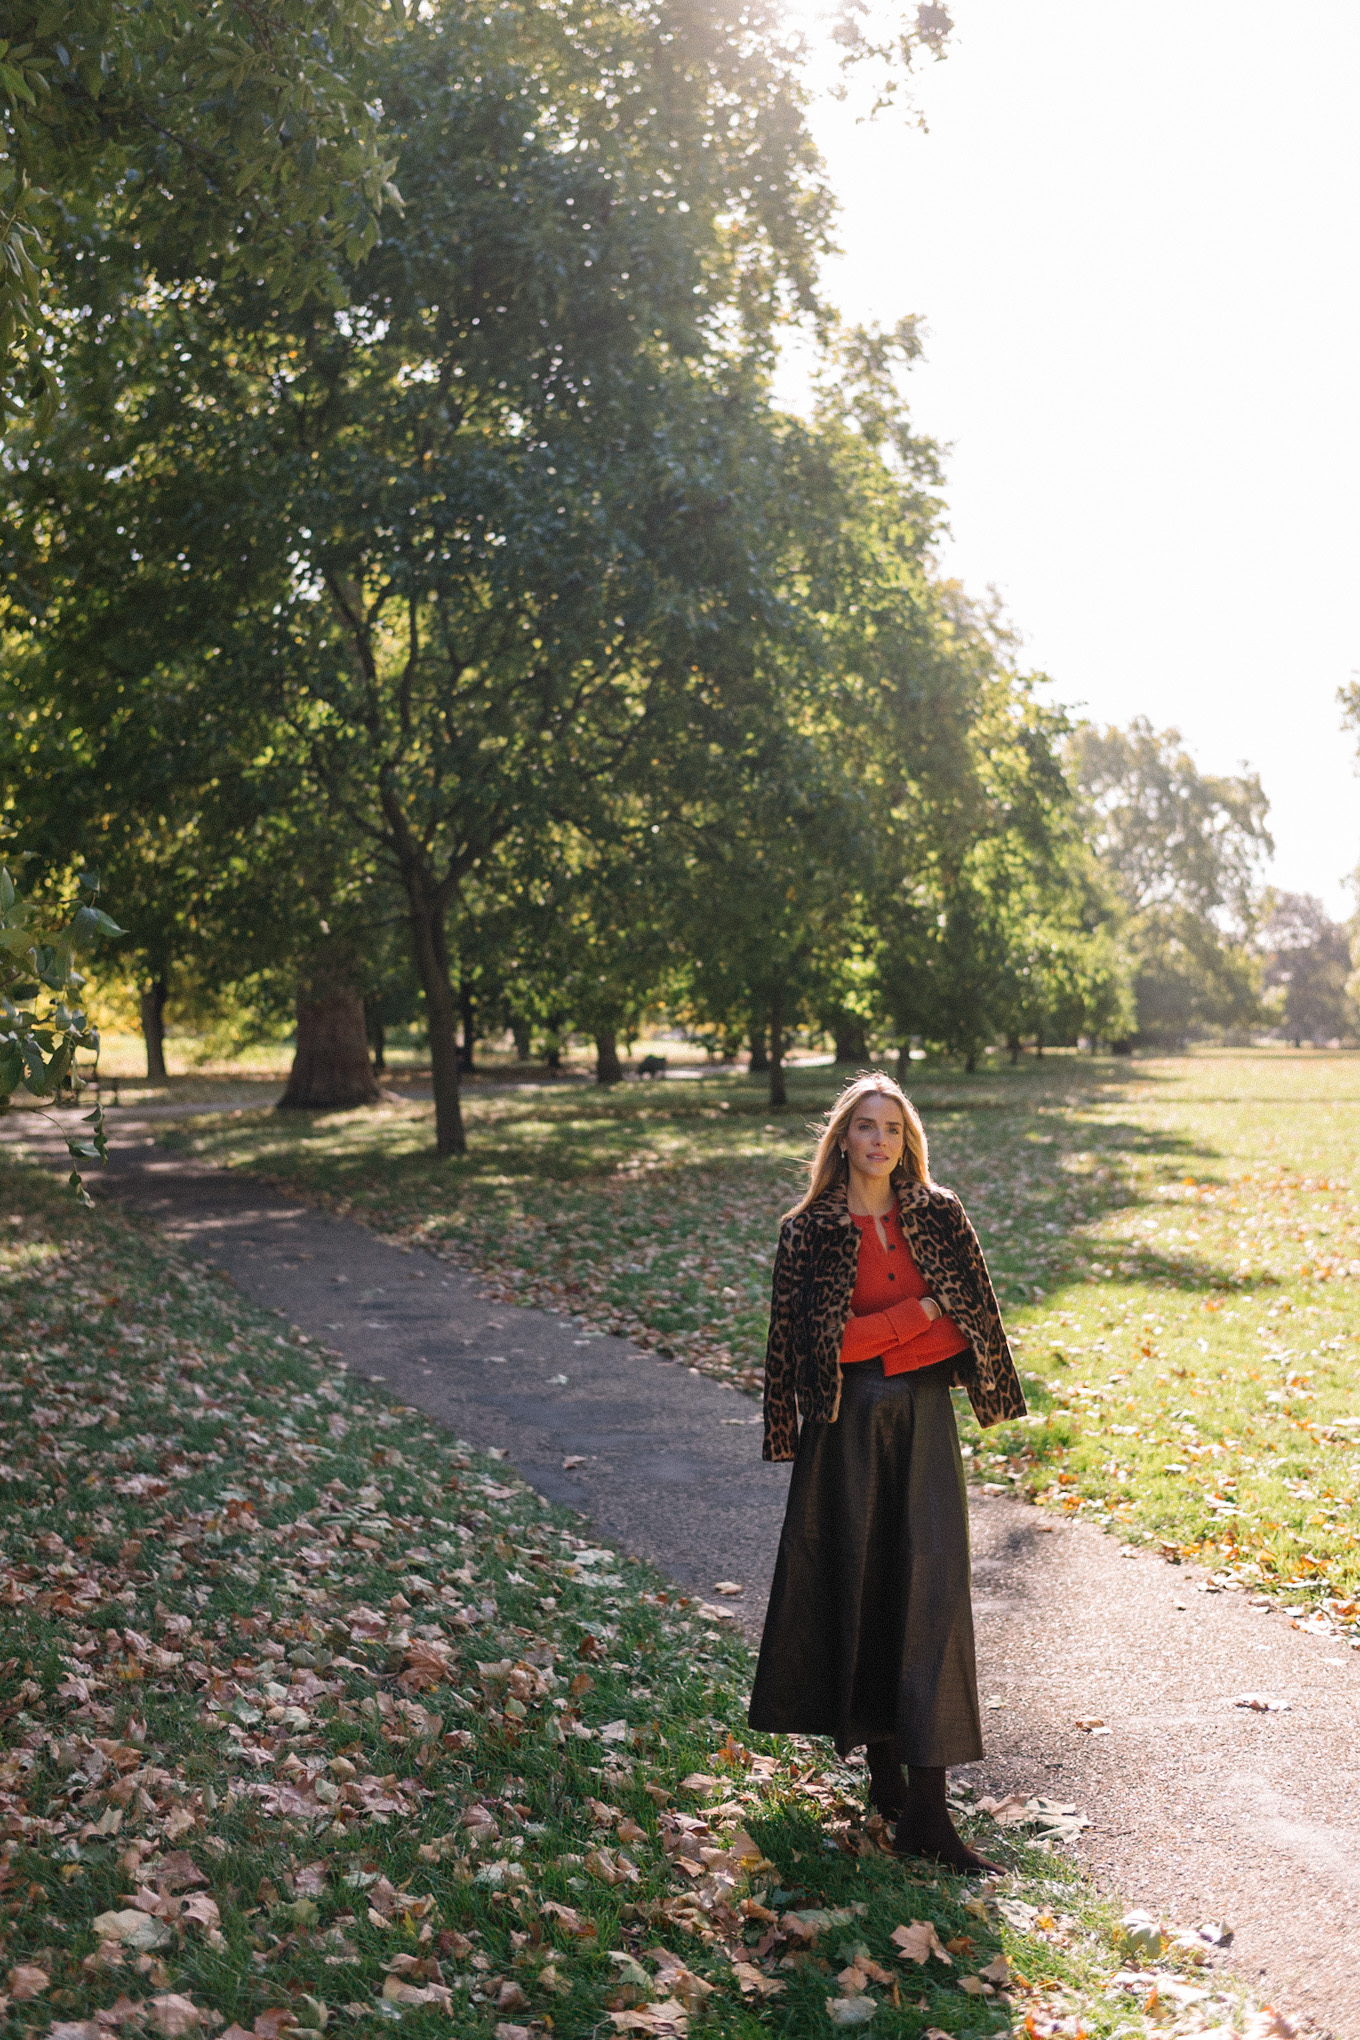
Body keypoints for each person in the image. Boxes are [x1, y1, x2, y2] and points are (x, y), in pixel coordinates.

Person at [748, 1071, 1026, 1871]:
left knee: (930, 1595)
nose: (879, 1140)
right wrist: (919, 1316)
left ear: (908, 1141)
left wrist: (893, 1335)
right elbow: (819, 1351)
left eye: (893, 1128)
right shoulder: (809, 1231)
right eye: (865, 1126)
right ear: (842, 1138)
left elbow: (968, 1331)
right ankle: (887, 1784)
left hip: (927, 1421)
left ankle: (930, 1816)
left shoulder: (939, 1216)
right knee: (864, 1588)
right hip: (848, 1429)